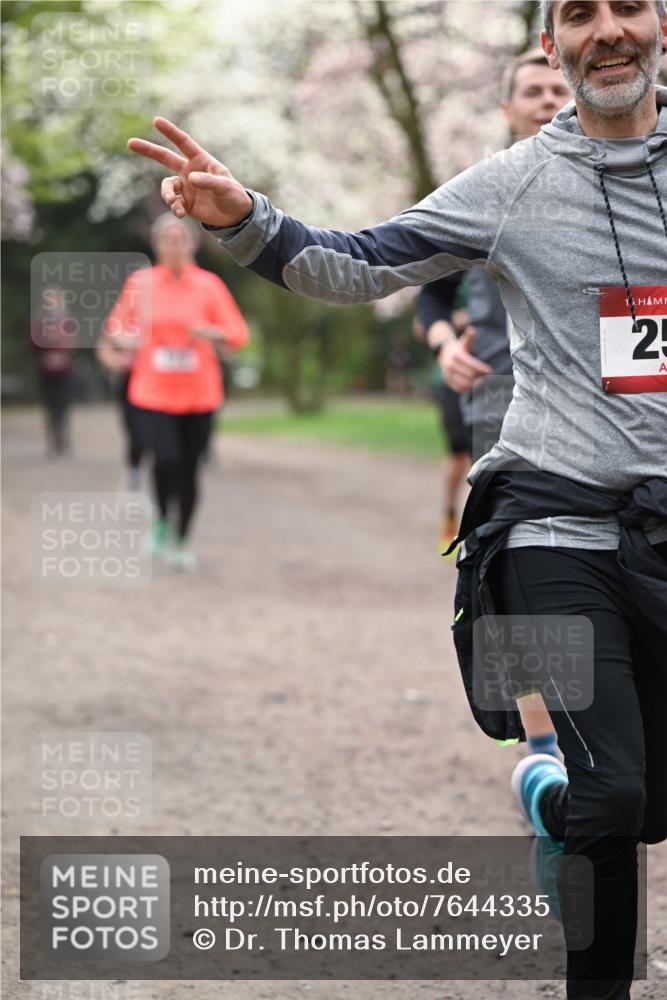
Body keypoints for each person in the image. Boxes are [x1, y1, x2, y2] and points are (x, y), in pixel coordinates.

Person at [129, 1, 667, 993]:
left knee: (639, 794)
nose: (606, 31)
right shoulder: (516, 184)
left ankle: (562, 807)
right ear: (549, 44)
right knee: (613, 788)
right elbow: (361, 259)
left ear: (661, 24)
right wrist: (249, 220)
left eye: (625, 5)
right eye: (578, 15)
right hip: (548, 522)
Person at [419, 48, 573, 760]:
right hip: (500, 397)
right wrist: (445, 341)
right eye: (533, 90)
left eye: (557, 87)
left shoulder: (619, 185)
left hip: (595, 403)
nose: (548, 99)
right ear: (507, 109)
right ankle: (543, 741)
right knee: (525, 567)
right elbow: (425, 287)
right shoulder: (486, 190)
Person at [102, 214, 249, 569]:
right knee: (165, 459)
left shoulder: (209, 286)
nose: (174, 244)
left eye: (180, 238)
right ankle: (161, 522)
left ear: (192, 244)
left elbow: (237, 334)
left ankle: (182, 537)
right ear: (156, 244)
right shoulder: (141, 282)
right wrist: (124, 340)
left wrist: (212, 334)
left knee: (189, 469)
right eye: (167, 238)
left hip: (199, 393)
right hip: (153, 392)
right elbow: (115, 327)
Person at [412, 303, 472, 552]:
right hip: (451, 380)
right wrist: (460, 319)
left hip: (495, 376)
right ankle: (449, 514)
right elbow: (419, 326)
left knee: (490, 456)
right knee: (458, 456)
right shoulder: (451, 273)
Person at [30, 286, 76, 457]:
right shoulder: (40, 319)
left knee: (63, 404)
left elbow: (72, 341)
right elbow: (33, 342)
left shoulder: (67, 319)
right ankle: (53, 440)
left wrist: (62, 351)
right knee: (51, 406)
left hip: (63, 368)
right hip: (46, 369)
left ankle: (63, 439)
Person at [96, 331, 144, 490]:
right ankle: (134, 467)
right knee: (135, 431)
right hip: (129, 381)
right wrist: (118, 362)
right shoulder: (125, 311)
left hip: (163, 382)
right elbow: (105, 344)